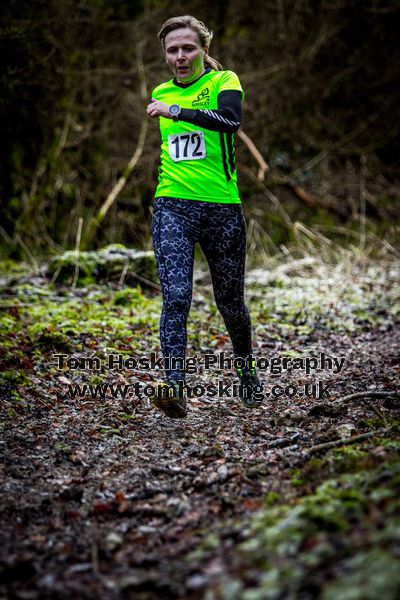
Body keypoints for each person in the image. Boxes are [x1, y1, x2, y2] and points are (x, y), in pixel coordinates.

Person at [146, 15, 263, 418]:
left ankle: (247, 371)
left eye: (187, 48)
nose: (180, 56)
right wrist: (171, 108)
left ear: (204, 50)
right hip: (172, 205)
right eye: (172, 50)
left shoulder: (223, 82)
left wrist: (176, 110)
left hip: (222, 209)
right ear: (165, 55)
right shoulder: (160, 91)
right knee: (176, 296)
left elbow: (231, 122)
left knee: (230, 302)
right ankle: (174, 387)